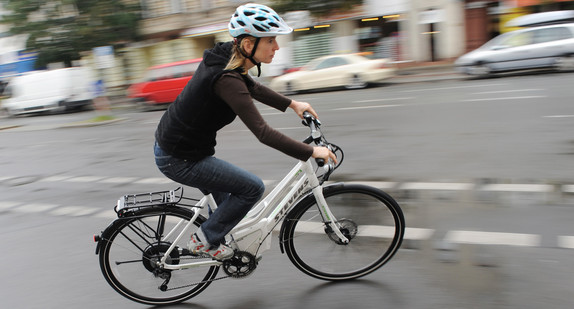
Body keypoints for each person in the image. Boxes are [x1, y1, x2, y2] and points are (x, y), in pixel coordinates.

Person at [154, 3, 336, 260]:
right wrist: (310, 151)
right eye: (271, 40)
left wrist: (293, 104)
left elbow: (251, 87)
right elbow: (263, 132)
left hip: (180, 147)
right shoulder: (226, 79)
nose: (277, 47)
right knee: (251, 188)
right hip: (179, 158)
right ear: (249, 44)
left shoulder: (228, 57)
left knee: (230, 205)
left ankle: (218, 238)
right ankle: (204, 240)